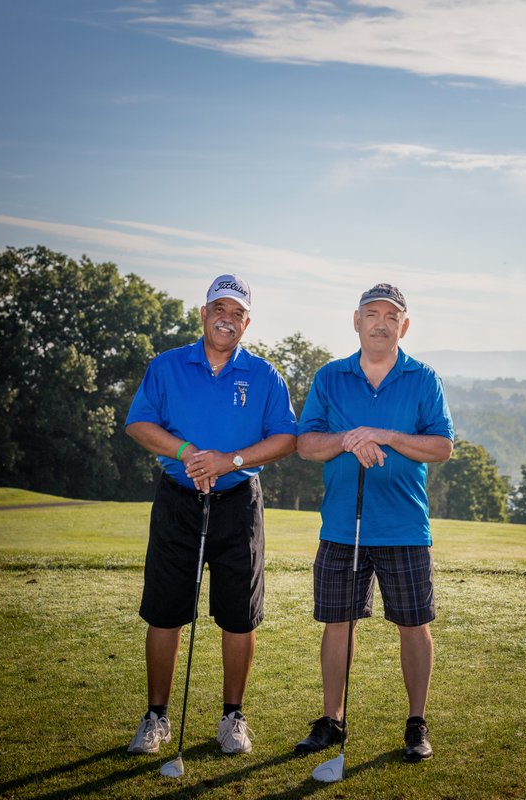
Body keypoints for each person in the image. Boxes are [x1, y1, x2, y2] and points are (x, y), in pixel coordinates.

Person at [123, 274, 297, 757]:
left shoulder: (265, 375)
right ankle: (156, 716)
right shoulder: (167, 366)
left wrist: (230, 460)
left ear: (247, 322)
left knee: (239, 617)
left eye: (238, 312)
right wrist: (188, 452)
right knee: (164, 611)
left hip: (238, 504)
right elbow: (138, 421)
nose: (228, 318)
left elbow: (286, 438)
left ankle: (232, 717)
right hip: (178, 501)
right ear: (203, 313)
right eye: (219, 308)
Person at [292, 282, 454, 763]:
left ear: (404, 326)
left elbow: (442, 447)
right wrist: (349, 439)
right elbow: (306, 444)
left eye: (391, 316)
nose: (381, 323)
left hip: (405, 527)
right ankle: (332, 720)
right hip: (343, 526)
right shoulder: (330, 376)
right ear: (356, 321)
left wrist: (382, 434)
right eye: (372, 314)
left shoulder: (423, 379)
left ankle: (416, 723)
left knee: (414, 625)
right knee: (338, 623)